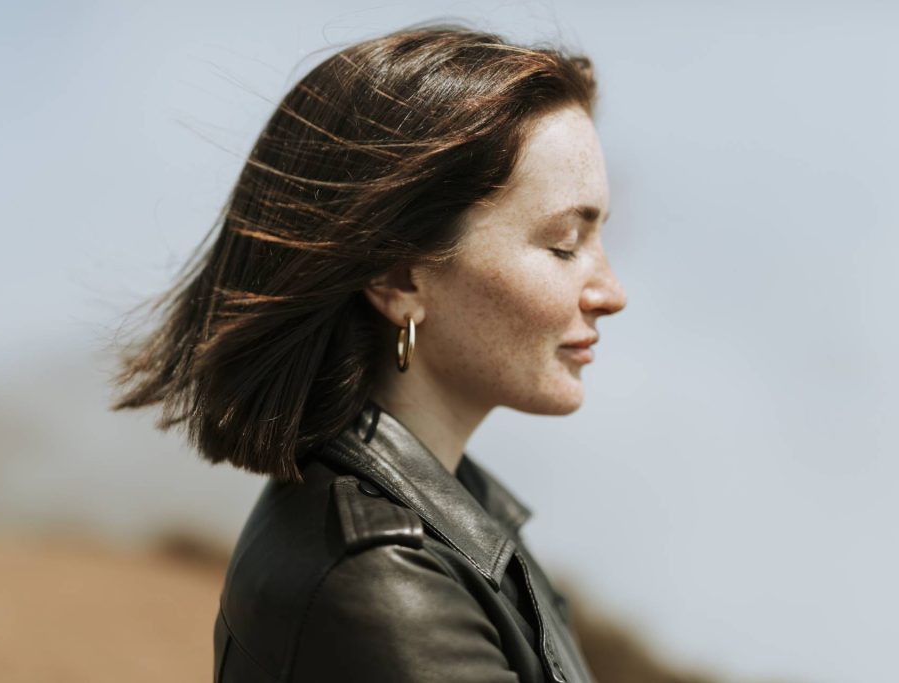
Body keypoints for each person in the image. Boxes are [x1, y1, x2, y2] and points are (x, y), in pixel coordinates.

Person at [110, 21, 627, 683]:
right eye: (563, 244)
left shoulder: (442, 515)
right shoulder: (382, 582)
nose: (611, 292)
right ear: (399, 278)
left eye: (600, 238)